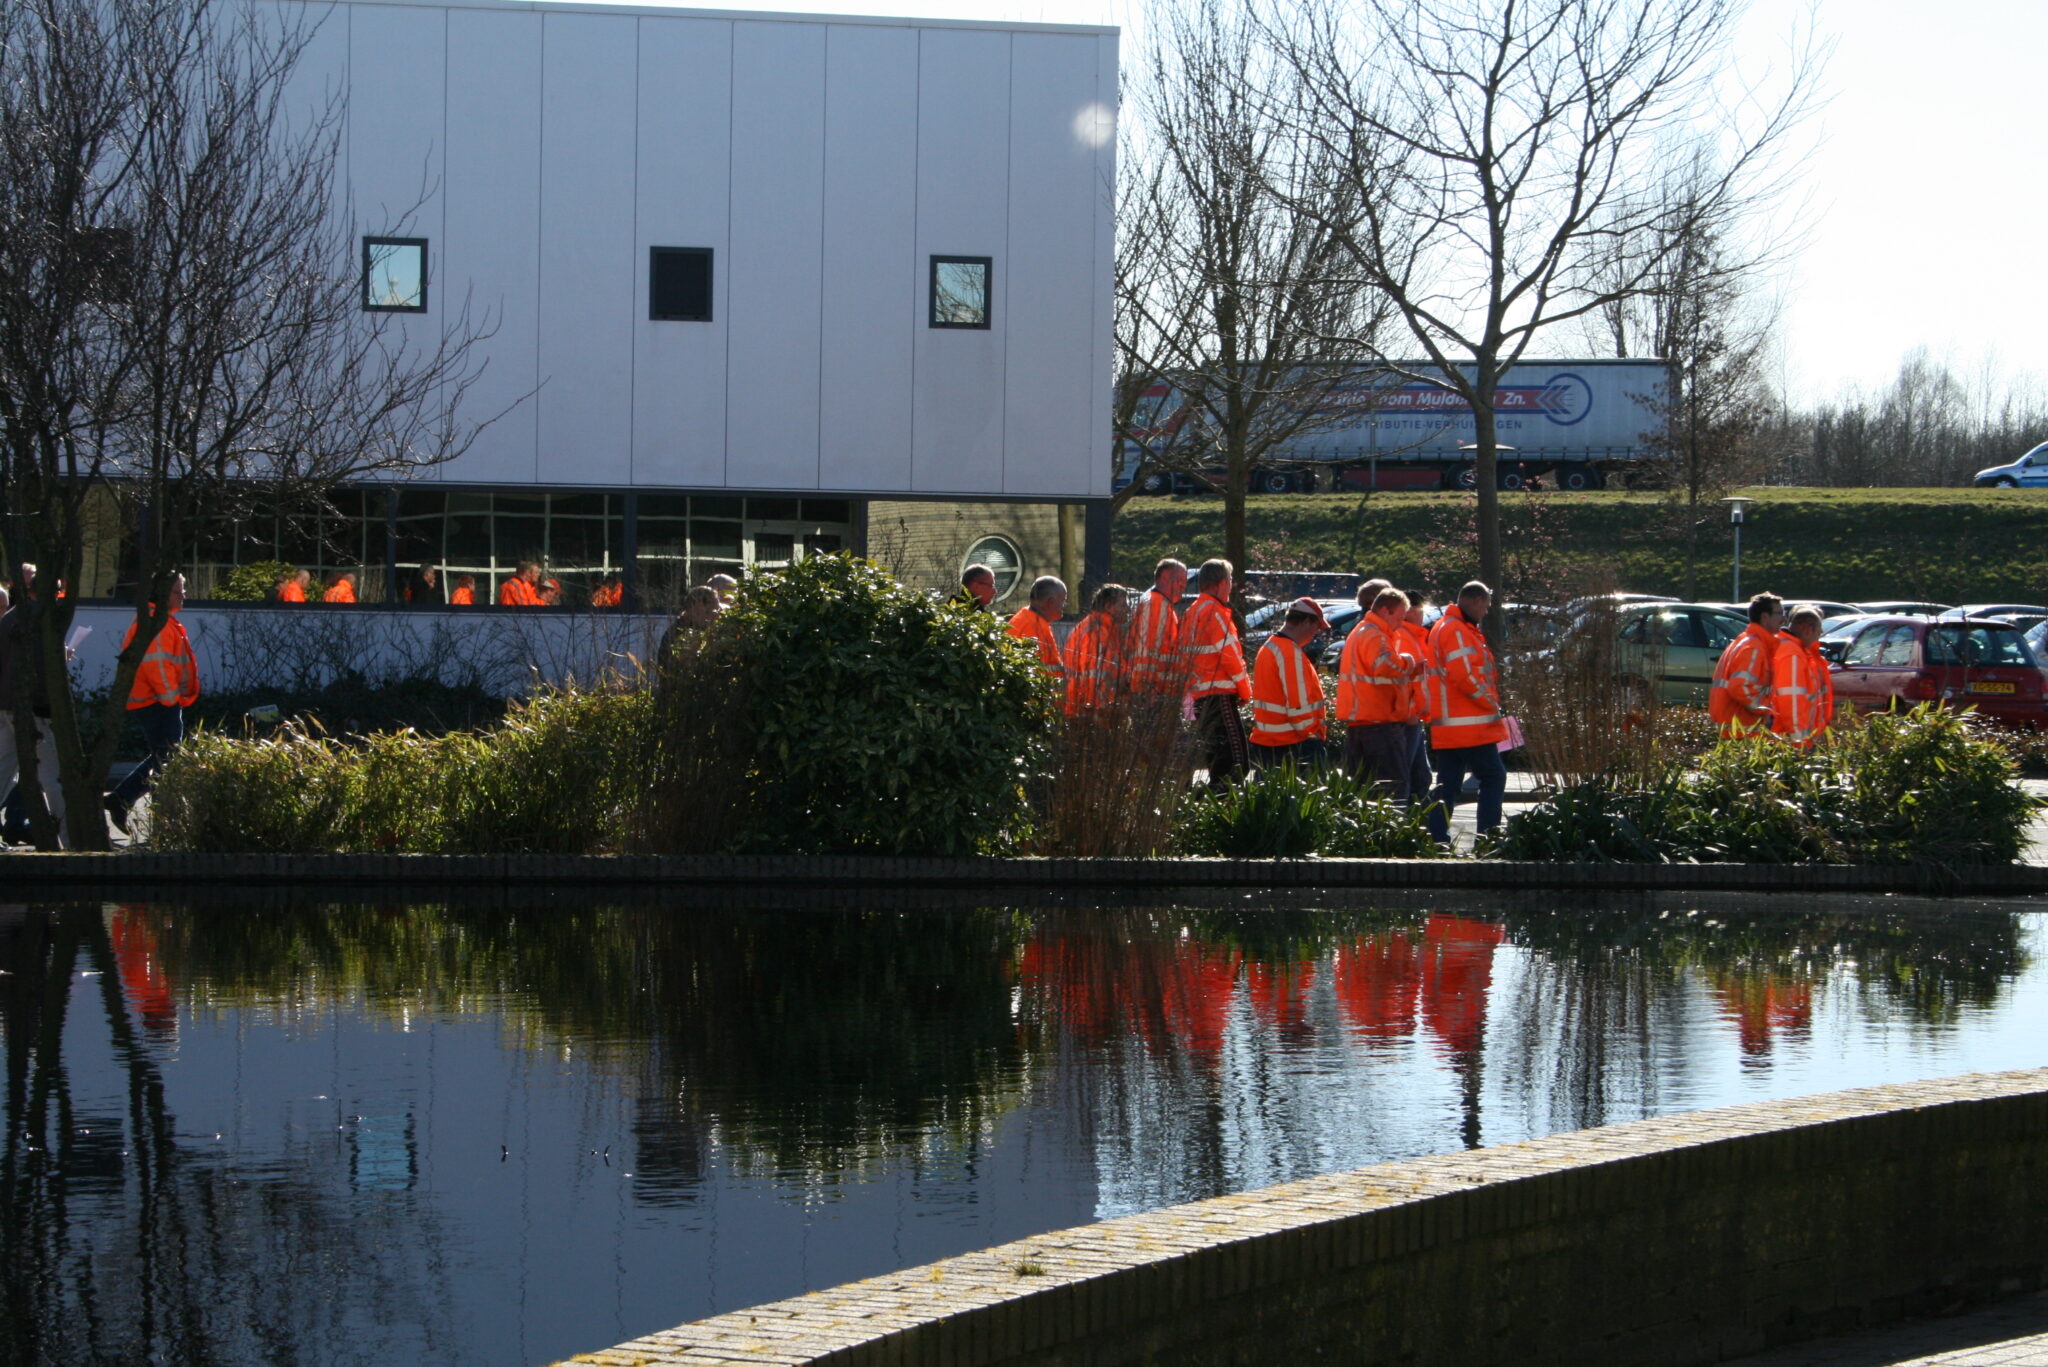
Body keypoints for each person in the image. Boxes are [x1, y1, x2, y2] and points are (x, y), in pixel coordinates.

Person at [105, 573, 200, 833]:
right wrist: (171, 699)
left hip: (156, 700)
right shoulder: (156, 623)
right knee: (167, 758)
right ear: (162, 594)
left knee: (164, 757)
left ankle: (126, 801)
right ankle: (140, 809)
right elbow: (156, 665)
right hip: (157, 701)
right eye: (178, 591)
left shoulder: (158, 621)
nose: (184, 596)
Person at [1426, 580, 1510, 840]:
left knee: (1447, 786)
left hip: (1451, 725)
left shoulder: (1451, 628)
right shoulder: (1458, 631)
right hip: (1470, 725)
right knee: (1494, 776)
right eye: (1486, 604)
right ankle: (1488, 836)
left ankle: (1435, 837)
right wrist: (1490, 703)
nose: (1487, 610)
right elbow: (1464, 676)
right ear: (1475, 600)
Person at [0, 563, 68, 846]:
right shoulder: (41, 621)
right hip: (33, 710)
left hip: (7, 705)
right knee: (54, 779)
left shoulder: (11, 618)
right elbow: (41, 668)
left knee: (3, 771)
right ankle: (73, 841)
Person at [1338, 588, 1421, 792]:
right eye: (1400, 617)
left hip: (1363, 721)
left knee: (1363, 790)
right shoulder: (1375, 635)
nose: (1401, 623)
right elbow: (1384, 666)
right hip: (1379, 723)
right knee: (1392, 789)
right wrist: (1409, 663)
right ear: (1385, 611)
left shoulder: (1362, 631)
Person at [1184, 558, 1252, 786]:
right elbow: (1231, 656)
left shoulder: (1192, 612)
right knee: (1237, 764)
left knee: (1216, 762)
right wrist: (1245, 691)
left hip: (1201, 698)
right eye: (1231, 580)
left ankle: (1216, 813)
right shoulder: (1215, 611)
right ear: (1222, 583)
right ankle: (1232, 814)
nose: (1231, 586)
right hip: (1220, 695)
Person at [1249, 597, 1330, 766]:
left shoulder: (1270, 647)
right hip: (1293, 744)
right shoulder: (1289, 653)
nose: (1316, 633)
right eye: (1317, 626)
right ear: (1307, 621)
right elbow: (1298, 704)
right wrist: (1311, 735)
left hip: (1269, 742)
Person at [1709, 592, 1784, 736]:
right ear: (1765, 617)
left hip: (1737, 727)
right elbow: (1739, 687)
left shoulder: (1749, 642)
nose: (1783, 618)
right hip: (1741, 729)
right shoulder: (1754, 647)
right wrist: (1762, 709)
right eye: (1779, 613)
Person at [1397, 591, 1441, 814]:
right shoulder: (1407, 636)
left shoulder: (1411, 635)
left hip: (1411, 717)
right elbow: (1415, 680)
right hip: (1409, 718)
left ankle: (1417, 827)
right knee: (1415, 779)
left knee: (1418, 777)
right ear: (1413, 609)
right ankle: (1416, 828)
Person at [1771, 604, 1834, 748]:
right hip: (1791, 741)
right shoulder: (1792, 654)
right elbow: (1792, 701)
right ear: (1808, 630)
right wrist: (1800, 743)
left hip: (1795, 738)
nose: (1820, 634)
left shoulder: (1796, 651)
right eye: (1819, 631)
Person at [1064, 584, 1131, 714]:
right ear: (1108, 607)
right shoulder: (1096, 633)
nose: (1128, 610)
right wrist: (1099, 713)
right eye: (1123, 605)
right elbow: (1093, 679)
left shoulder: (1107, 630)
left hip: (1095, 711)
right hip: (1090, 713)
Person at [1128, 558, 1188, 694]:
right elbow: (1147, 650)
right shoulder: (1156, 605)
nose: (1183, 585)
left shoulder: (1160, 604)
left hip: (1156, 689)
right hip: (1153, 690)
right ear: (1165, 577)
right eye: (1180, 580)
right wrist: (1147, 687)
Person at [1007, 575, 1067, 680]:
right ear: (1051, 602)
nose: (1064, 606)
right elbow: (1034, 676)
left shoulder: (1030, 621)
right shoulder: (1032, 628)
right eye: (1063, 600)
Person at [656, 585, 723, 664]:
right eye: (709, 612)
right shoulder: (678, 634)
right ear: (693, 607)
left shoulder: (714, 632)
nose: (716, 617)